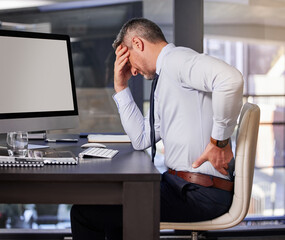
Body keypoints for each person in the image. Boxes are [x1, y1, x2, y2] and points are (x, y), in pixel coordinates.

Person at [70, 18, 243, 240]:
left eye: (128, 59)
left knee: (84, 213)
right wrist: (120, 87)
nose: (131, 71)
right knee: (110, 213)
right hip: (182, 187)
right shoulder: (166, 78)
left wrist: (219, 141)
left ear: (138, 43)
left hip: (198, 194)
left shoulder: (176, 60)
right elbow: (141, 139)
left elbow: (230, 80)